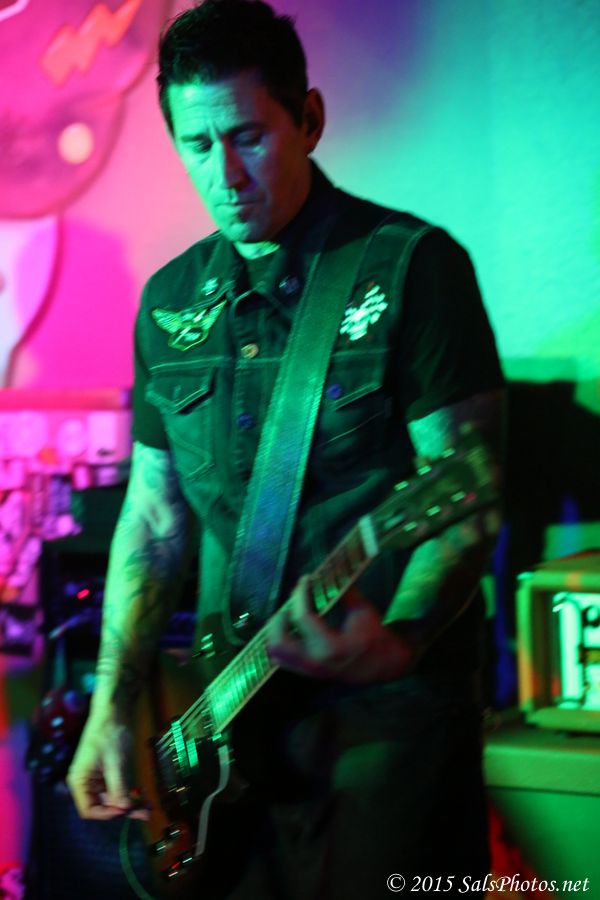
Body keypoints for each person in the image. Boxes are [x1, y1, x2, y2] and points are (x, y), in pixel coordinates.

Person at [67, 1, 505, 897]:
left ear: (308, 119)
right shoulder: (170, 304)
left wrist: (401, 639)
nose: (224, 174)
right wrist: (113, 703)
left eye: (248, 137)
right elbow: (153, 518)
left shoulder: (410, 268)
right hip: (227, 723)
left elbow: (465, 496)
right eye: (197, 145)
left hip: (384, 728)